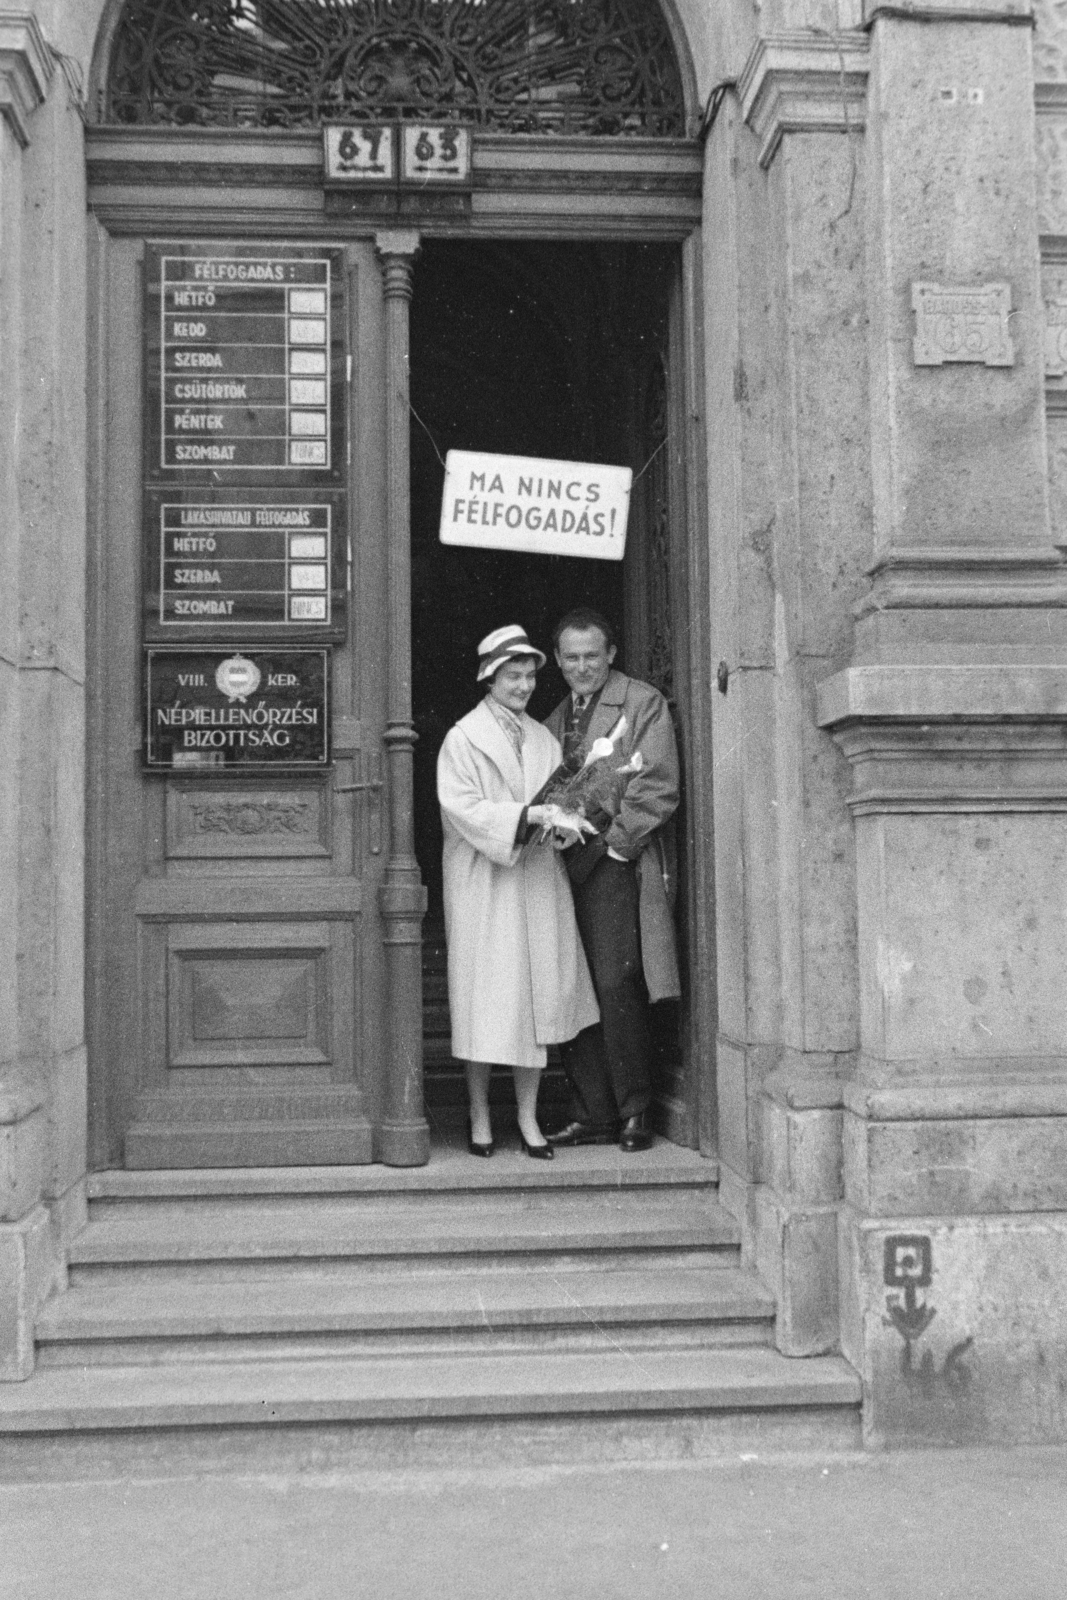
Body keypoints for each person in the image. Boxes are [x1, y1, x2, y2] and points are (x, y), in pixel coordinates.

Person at [436, 624, 600, 1159]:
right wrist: (525, 815)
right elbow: (463, 809)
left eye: (530, 675)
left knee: (535, 1000)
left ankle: (528, 1119)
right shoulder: (463, 737)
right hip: (486, 881)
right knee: (484, 1000)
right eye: (514, 675)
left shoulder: (543, 737)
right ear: (490, 678)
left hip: (534, 879)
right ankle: (480, 1115)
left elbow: (561, 800)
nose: (525, 685)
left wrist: (561, 824)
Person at [543, 608, 680, 1153]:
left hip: (616, 861)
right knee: (572, 983)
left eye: (591, 656)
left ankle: (633, 1110)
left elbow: (658, 782)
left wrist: (617, 846)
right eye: (571, 657)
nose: (582, 667)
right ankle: (591, 1110)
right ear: (557, 660)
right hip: (566, 863)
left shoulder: (642, 702)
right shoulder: (556, 717)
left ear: (611, 655)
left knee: (616, 983)